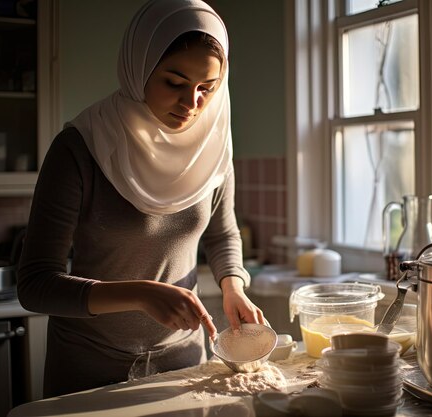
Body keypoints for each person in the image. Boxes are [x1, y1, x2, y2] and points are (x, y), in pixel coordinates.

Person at [17, 0, 265, 398]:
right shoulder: (80, 148)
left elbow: (222, 235)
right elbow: (35, 285)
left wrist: (234, 286)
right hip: (89, 368)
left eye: (207, 88)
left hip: (183, 363)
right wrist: (140, 292)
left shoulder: (212, 149)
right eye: (174, 82)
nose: (192, 104)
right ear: (139, 67)